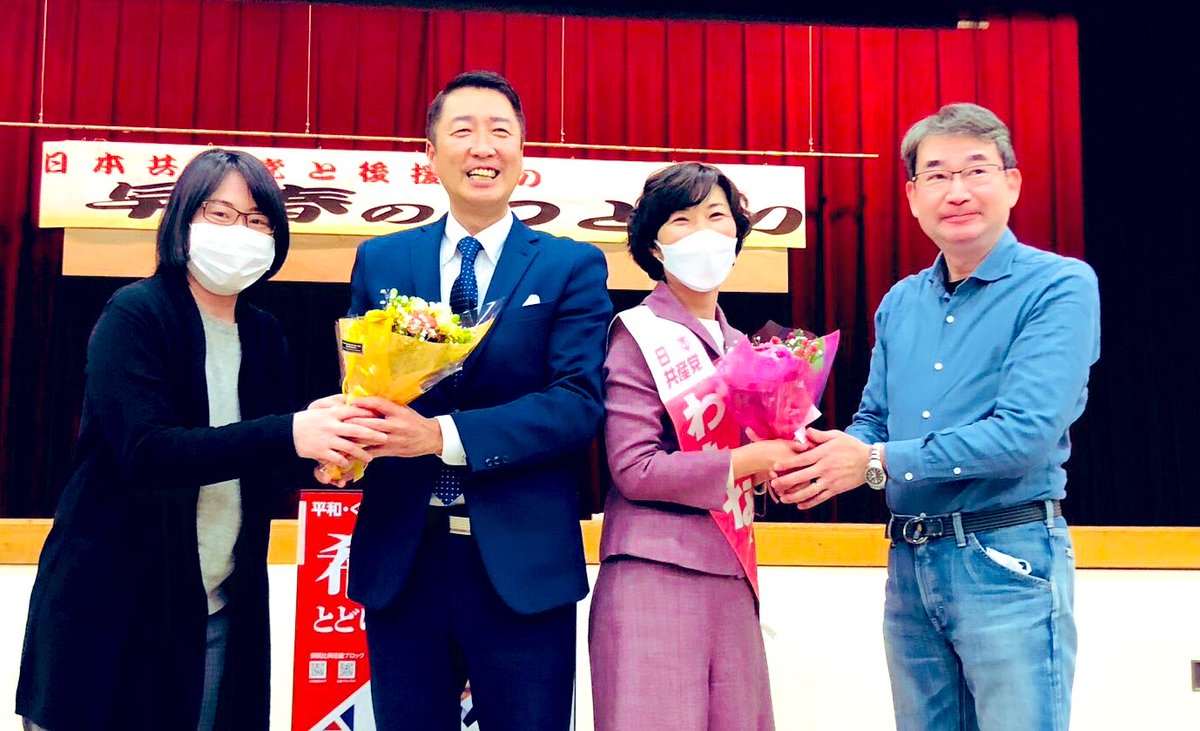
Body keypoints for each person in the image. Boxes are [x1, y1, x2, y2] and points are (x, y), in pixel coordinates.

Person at [15, 149, 384, 731]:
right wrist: (290, 432)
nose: (241, 232)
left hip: (217, 608)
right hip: (114, 609)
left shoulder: (263, 334)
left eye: (258, 221)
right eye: (220, 214)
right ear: (183, 220)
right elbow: (147, 452)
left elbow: (259, 456)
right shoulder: (136, 314)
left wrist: (323, 455)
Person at [770, 103, 1100, 730]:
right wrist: (819, 457)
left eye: (976, 171)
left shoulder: (1059, 286)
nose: (957, 191)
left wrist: (872, 461)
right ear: (913, 196)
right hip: (909, 560)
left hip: (1005, 556)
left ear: (1012, 183)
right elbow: (875, 419)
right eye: (937, 175)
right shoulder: (900, 301)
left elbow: (1025, 434)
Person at [327, 70, 612, 730]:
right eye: (463, 131)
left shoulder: (569, 265)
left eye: (500, 131)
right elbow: (363, 385)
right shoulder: (381, 261)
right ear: (430, 154)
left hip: (523, 566)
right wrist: (348, 444)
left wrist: (440, 436)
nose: (483, 146)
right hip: (404, 558)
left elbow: (577, 403)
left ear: (522, 153)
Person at [590, 162, 800, 730]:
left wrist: (784, 467)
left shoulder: (745, 349)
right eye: (682, 220)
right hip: (653, 568)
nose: (703, 233)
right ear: (654, 246)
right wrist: (750, 459)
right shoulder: (637, 333)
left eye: (716, 216)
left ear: (737, 235)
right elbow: (634, 468)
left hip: (733, 571)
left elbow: (748, 463)